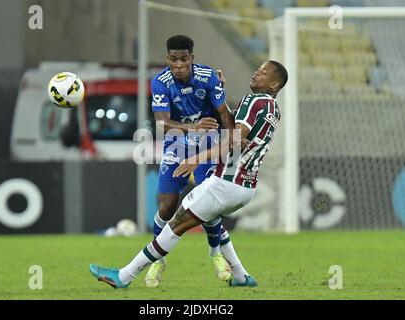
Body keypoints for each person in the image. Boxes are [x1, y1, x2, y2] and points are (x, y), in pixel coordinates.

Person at [89, 60, 288, 288]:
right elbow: (232, 130)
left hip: (226, 181)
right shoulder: (273, 109)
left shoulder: (254, 101)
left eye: (263, 72)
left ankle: (123, 276)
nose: (256, 72)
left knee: (176, 224)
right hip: (245, 187)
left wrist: (196, 159)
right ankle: (241, 276)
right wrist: (219, 92)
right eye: (258, 69)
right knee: (209, 217)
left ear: (274, 85)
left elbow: (233, 140)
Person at [143, 34, 240, 288]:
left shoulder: (208, 77)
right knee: (166, 206)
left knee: (207, 203)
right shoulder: (160, 82)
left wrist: (232, 140)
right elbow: (162, 123)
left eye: (183, 59)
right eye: (173, 59)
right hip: (177, 143)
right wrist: (194, 126)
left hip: (209, 144)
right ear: (168, 58)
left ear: (192, 59)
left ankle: (216, 254)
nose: (178, 65)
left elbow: (222, 112)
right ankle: (158, 260)